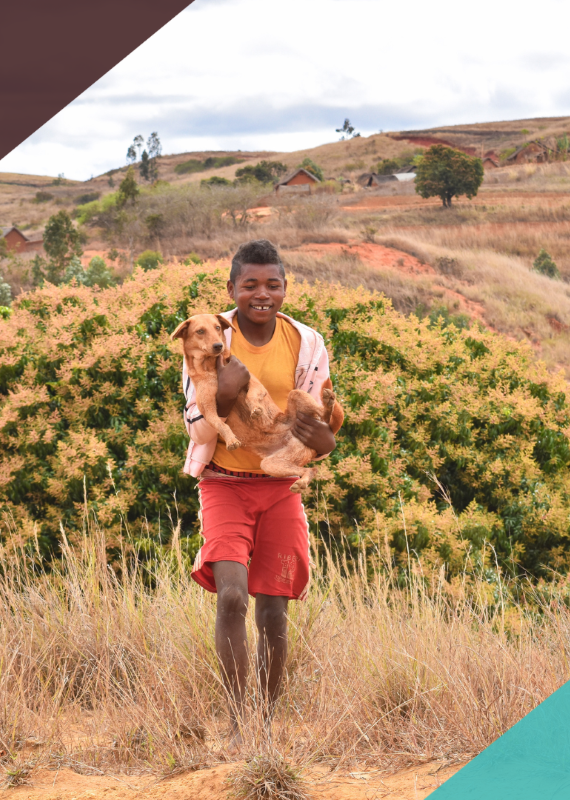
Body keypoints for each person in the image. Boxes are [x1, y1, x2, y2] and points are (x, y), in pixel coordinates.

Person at [179, 239, 343, 740]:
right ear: (232, 289)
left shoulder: (307, 342)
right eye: (249, 284)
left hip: (281, 488)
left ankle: (265, 725)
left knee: (274, 607)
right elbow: (196, 428)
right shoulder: (208, 337)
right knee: (231, 598)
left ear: (285, 288)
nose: (261, 293)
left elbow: (315, 420)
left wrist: (325, 444)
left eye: (272, 284)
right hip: (224, 484)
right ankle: (235, 724)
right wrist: (224, 398)